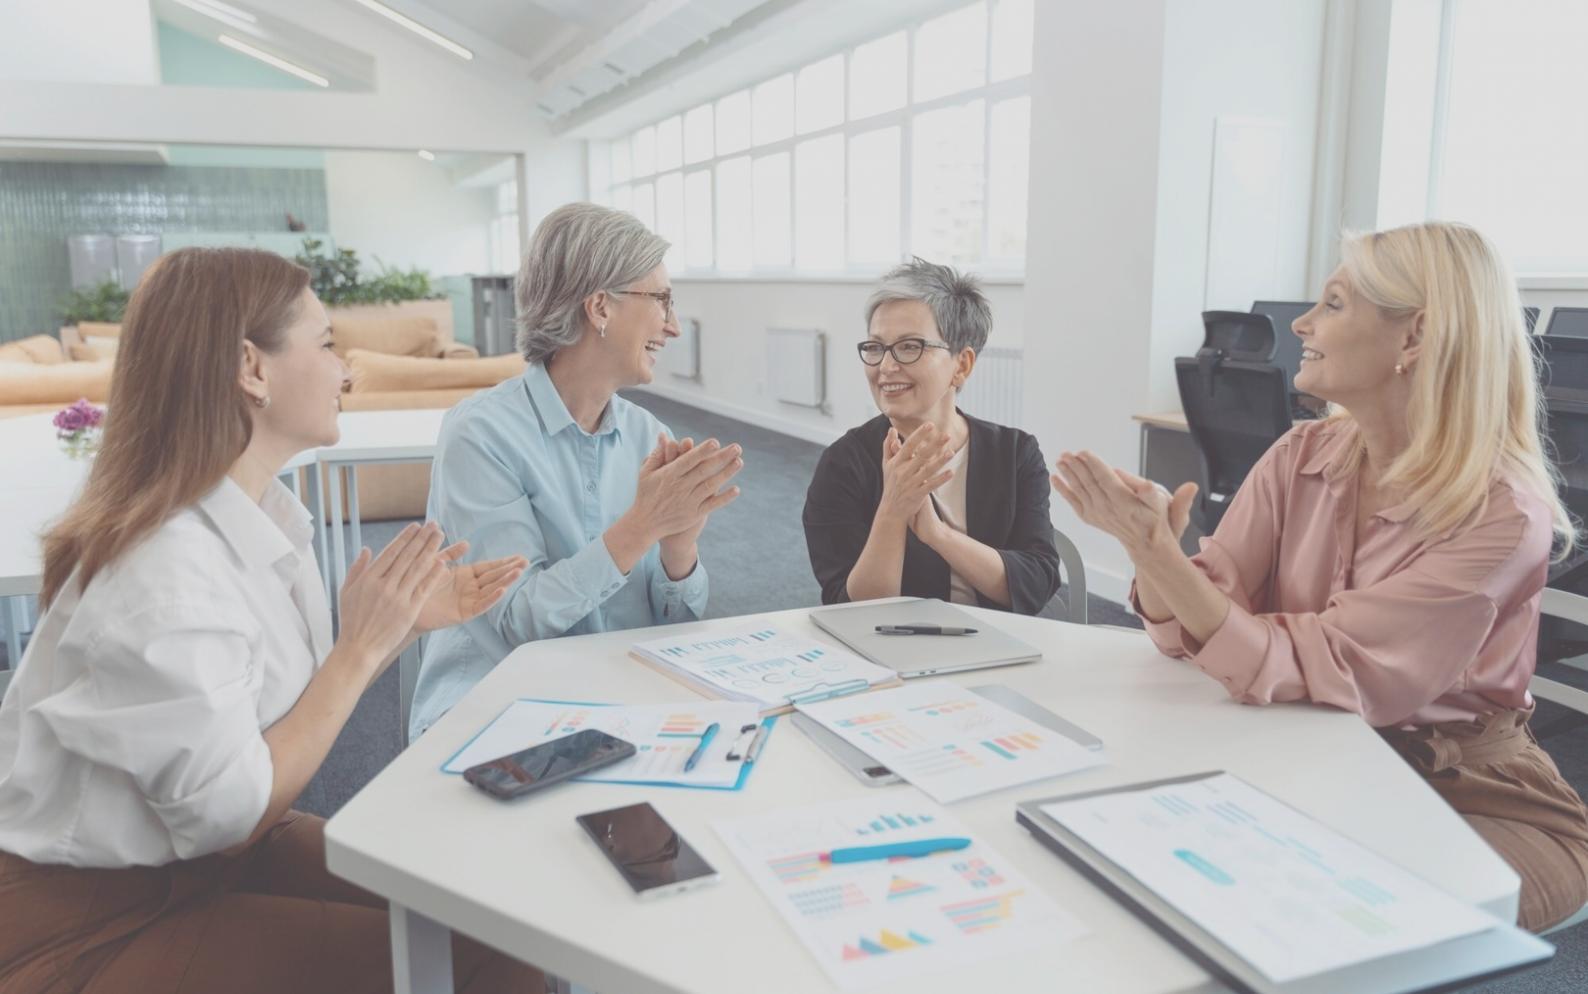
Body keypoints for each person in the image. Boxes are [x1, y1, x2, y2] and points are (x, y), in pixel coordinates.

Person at [0, 247, 538, 991]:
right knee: (474, 961)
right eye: (325, 345)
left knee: (498, 921)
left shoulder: (263, 515)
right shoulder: (165, 572)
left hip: (198, 853)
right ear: (252, 369)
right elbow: (233, 815)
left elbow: (277, 712)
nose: (347, 370)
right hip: (90, 912)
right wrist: (359, 649)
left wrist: (402, 625)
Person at [1052, 221, 1588, 931]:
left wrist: (1164, 562)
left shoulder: (1501, 513)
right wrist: (1162, 562)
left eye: (1333, 304)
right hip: (1302, 752)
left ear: (1416, 337)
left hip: (1463, 794)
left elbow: (1339, 671)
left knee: (1297, 913)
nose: (1301, 323)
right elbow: (1194, 630)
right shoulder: (1300, 450)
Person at [410, 203, 743, 739]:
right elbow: (519, 624)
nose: (674, 326)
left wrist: (679, 549)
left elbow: (677, 629)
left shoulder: (646, 434)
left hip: (617, 697)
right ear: (600, 308)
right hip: (497, 705)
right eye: (661, 300)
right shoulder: (480, 435)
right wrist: (639, 529)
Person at [803, 257, 1061, 614]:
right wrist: (893, 513)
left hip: (998, 647)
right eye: (876, 347)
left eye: (910, 346)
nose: (886, 367)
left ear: (962, 364)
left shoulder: (1015, 453)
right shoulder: (844, 463)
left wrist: (938, 535)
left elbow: (1036, 584)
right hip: (892, 653)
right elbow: (851, 610)